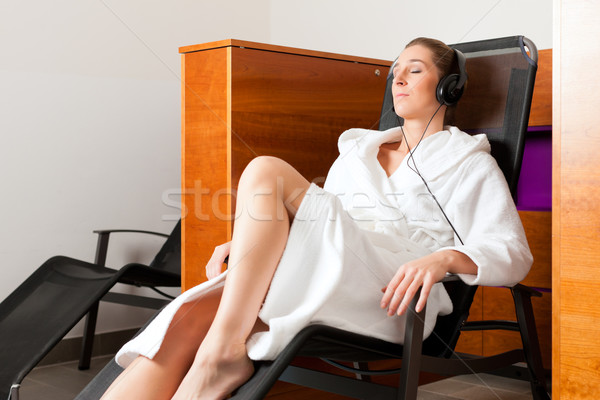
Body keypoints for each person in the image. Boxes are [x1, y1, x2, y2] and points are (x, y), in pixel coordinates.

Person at [100, 37, 533, 400]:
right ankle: (219, 354)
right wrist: (253, 243)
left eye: (415, 70)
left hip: (389, 288)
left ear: (449, 88)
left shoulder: (468, 162)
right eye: (396, 70)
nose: (398, 78)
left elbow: (511, 252)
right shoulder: (358, 154)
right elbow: (327, 220)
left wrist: (443, 259)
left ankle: (221, 355)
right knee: (190, 321)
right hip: (334, 267)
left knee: (266, 170)